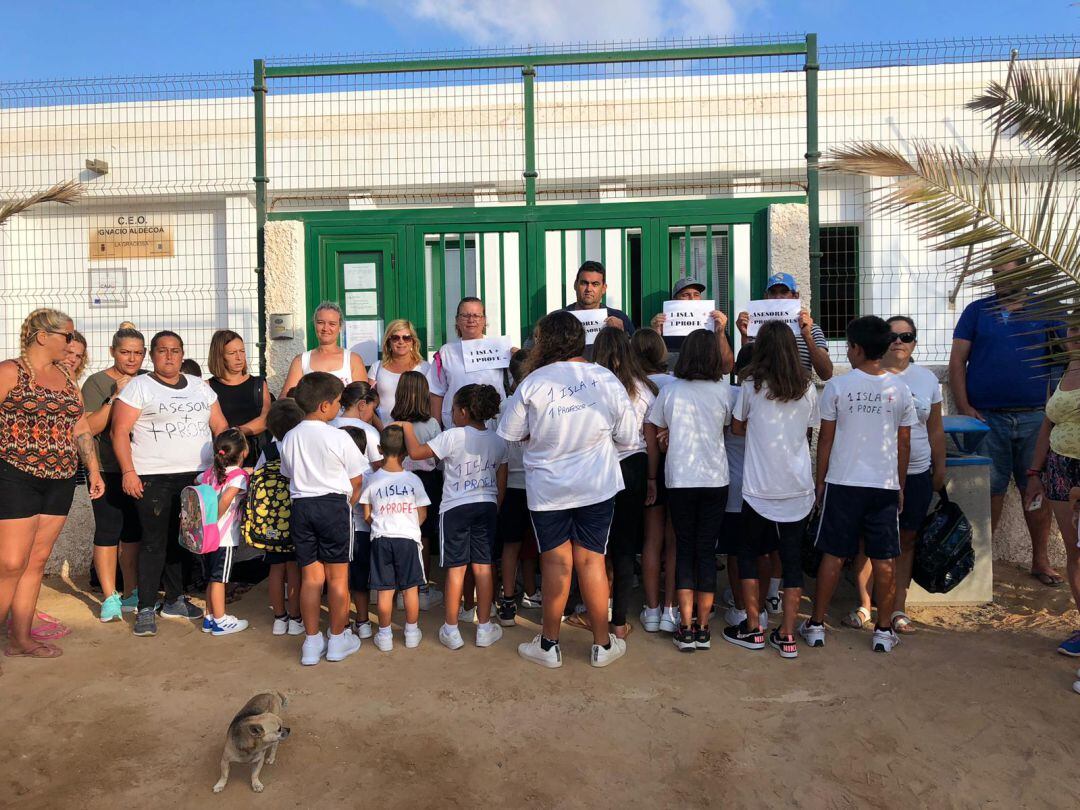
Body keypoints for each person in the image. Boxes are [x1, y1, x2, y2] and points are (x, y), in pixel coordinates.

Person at [499, 310, 635, 669]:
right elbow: (628, 437)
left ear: (544, 341)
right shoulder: (605, 378)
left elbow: (509, 435)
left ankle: (548, 645)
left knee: (556, 562)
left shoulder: (532, 383)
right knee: (592, 560)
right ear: (580, 340)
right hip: (597, 485)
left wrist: (538, 434)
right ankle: (603, 645)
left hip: (549, 489)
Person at [801, 316, 916, 655]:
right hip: (883, 485)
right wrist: (900, 484)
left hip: (843, 483)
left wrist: (820, 482)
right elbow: (904, 443)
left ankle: (817, 624)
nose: (847, 351)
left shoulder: (838, 386)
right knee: (884, 559)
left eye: (848, 345)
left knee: (833, 556)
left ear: (857, 349)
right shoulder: (899, 389)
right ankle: (882, 630)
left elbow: (825, 441)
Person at [1, 309, 104, 661]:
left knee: (35, 561)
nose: (72, 343)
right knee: (11, 562)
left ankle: (21, 639)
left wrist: (94, 470)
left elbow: (79, 427)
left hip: (60, 478)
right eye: (67, 336)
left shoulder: (65, 375)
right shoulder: (10, 372)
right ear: (43, 336)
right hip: (15, 475)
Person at [950, 258, 1060, 586]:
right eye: (995, 274)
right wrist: (965, 406)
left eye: (1007, 273)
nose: (1000, 280)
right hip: (987, 419)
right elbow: (958, 361)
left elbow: (1063, 358)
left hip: (1035, 420)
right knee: (990, 492)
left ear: (1025, 273)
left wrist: (1053, 410)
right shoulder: (977, 311)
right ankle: (983, 564)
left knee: (1035, 489)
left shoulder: (1047, 310)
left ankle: (1040, 561)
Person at [112, 330, 228, 638]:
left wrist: (222, 465)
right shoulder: (140, 387)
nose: (169, 356)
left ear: (182, 353)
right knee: (153, 542)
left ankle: (175, 599)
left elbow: (219, 426)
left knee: (186, 540)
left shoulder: (200, 388)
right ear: (152, 355)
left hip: (197, 476)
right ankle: (146, 607)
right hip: (153, 477)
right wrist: (128, 472)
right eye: (162, 350)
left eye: (175, 350)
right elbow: (119, 431)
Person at [845, 316, 945, 634]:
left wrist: (939, 466)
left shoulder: (927, 379)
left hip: (915, 472)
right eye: (894, 336)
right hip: (873, 472)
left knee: (907, 539)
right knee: (866, 541)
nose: (900, 341)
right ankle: (864, 605)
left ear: (915, 342)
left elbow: (936, 428)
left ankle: (898, 607)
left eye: (908, 336)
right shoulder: (862, 377)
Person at [726, 321, 820, 657]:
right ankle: (789, 634)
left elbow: (737, 428)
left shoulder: (752, 385)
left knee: (749, 554)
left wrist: (760, 427)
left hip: (758, 486)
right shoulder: (807, 387)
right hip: (797, 485)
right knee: (791, 558)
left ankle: (753, 628)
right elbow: (808, 431)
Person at [646, 328, 736, 653]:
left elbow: (655, 426)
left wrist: (666, 436)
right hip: (715, 479)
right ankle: (703, 626)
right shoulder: (723, 391)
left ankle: (684, 626)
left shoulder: (670, 391)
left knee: (684, 550)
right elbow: (728, 427)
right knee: (706, 552)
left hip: (680, 479)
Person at [400, 384, 508, 650]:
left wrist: (406, 428)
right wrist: (494, 506)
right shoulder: (497, 440)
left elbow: (416, 454)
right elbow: (501, 480)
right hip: (486, 505)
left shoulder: (452, 436)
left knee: (456, 569)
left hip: (455, 509)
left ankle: (451, 628)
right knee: (483, 568)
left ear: (462, 411)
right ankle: (483, 627)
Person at [280, 372, 367, 665]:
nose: (340, 408)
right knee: (338, 578)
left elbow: (288, 473)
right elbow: (357, 480)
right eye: (338, 403)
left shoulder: (290, 436)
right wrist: (347, 505)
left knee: (311, 578)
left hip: (302, 507)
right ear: (325, 406)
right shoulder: (339, 436)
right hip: (333, 507)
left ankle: (312, 642)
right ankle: (338, 640)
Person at [593, 327, 658, 640]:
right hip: (634, 466)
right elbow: (650, 439)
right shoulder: (645, 389)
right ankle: (618, 622)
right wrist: (651, 478)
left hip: (598, 467)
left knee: (596, 545)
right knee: (625, 546)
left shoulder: (590, 387)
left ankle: (596, 612)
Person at [82, 326, 146, 622]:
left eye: (137, 353)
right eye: (125, 352)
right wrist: (117, 396)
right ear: (112, 352)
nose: (131, 359)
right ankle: (109, 596)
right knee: (108, 530)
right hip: (106, 468)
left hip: (142, 468)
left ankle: (132, 591)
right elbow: (89, 428)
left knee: (133, 533)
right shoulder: (96, 383)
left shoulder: (149, 379)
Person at [1025, 325, 1080, 656]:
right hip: (1060, 469)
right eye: (1073, 328)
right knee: (1075, 552)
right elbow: (1048, 422)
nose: (1074, 335)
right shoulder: (1065, 367)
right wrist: (1035, 471)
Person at [360, 425, 431, 652]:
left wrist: (383, 523)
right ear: (407, 452)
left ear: (380, 449)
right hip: (408, 539)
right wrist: (409, 525)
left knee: (384, 589)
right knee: (410, 589)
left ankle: (385, 634)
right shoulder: (413, 480)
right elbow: (422, 513)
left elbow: (367, 515)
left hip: (381, 538)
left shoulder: (371, 480)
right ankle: (411, 632)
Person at [632, 328, 680, 633]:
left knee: (651, 540)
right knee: (673, 542)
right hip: (674, 467)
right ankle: (670, 608)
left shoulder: (631, 386)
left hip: (644, 466)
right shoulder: (676, 385)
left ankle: (650, 608)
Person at [388, 371, 443, 611]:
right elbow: (440, 457)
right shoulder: (431, 424)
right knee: (424, 535)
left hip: (399, 480)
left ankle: (402, 589)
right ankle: (420, 588)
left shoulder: (393, 423)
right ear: (424, 395)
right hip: (426, 482)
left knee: (402, 533)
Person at [252, 397, 306, 636]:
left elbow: (257, 477)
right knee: (294, 569)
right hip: (293, 518)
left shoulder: (268, 450)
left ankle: (279, 618)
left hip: (270, 522)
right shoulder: (299, 447)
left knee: (275, 570)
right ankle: (296, 619)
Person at [495, 349, 541, 627]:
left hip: (511, 485)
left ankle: (509, 599)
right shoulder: (540, 401)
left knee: (512, 546)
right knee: (539, 545)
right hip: (537, 486)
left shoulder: (503, 406)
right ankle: (535, 594)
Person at [196, 428, 250, 637]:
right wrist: (213, 519)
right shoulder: (238, 478)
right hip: (224, 537)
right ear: (243, 452)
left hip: (205, 537)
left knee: (211, 577)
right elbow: (227, 500)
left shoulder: (209, 473)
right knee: (220, 579)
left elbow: (196, 483)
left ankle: (210, 617)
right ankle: (220, 620)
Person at [735, 273, 833, 380]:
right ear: (766, 297)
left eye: (784, 292)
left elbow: (826, 374)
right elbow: (745, 373)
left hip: (797, 394)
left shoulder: (811, 329)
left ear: (795, 296)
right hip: (763, 394)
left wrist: (808, 336)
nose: (778, 297)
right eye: (773, 292)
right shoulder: (756, 327)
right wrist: (745, 336)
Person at [428, 297, 507, 429]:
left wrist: (518, 355)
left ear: (484, 320)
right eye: (465, 315)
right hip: (457, 428)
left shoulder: (500, 348)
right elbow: (436, 392)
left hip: (493, 425)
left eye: (476, 315)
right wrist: (436, 428)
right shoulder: (446, 352)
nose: (471, 320)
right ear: (457, 320)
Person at [207, 330, 271, 468]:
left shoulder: (258, 384)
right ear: (219, 356)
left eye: (242, 351)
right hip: (223, 456)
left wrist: (237, 432)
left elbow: (266, 419)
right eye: (232, 353)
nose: (239, 357)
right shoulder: (207, 386)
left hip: (255, 457)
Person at [280, 301, 368, 395]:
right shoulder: (301, 361)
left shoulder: (353, 360)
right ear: (315, 324)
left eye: (332, 324)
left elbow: (363, 400)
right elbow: (287, 399)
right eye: (321, 323)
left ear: (340, 327)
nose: (325, 328)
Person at [649, 276, 734, 373]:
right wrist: (655, 334)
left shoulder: (712, 325)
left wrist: (720, 332)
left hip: (706, 383)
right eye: (686, 295)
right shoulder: (664, 326)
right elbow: (650, 366)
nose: (692, 298)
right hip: (673, 384)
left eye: (696, 294)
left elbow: (726, 368)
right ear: (675, 300)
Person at [557, 261, 634, 361]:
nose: (589, 289)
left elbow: (634, 356)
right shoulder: (557, 319)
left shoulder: (619, 317)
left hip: (606, 376)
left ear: (604, 288)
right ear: (575, 285)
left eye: (595, 284)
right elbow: (533, 349)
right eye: (584, 283)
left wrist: (621, 335)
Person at [340, 425, 374, 640]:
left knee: (340, 579)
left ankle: (343, 623)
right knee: (360, 580)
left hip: (342, 530)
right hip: (363, 531)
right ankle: (363, 622)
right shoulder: (372, 472)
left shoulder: (338, 470)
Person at [369, 320, 430, 425]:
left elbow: (431, 402)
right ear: (389, 341)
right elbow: (369, 403)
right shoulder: (377, 367)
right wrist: (381, 429)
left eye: (406, 337)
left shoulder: (425, 368)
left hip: (416, 432)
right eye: (395, 338)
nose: (401, 341)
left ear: (413, 341)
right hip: (384, 430)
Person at [330, 381, 384, 469]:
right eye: (373, 409)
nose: (372, 415)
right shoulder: (369, 431)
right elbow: (378, 464)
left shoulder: (329, 425)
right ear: (362, 405)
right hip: (364, 482)